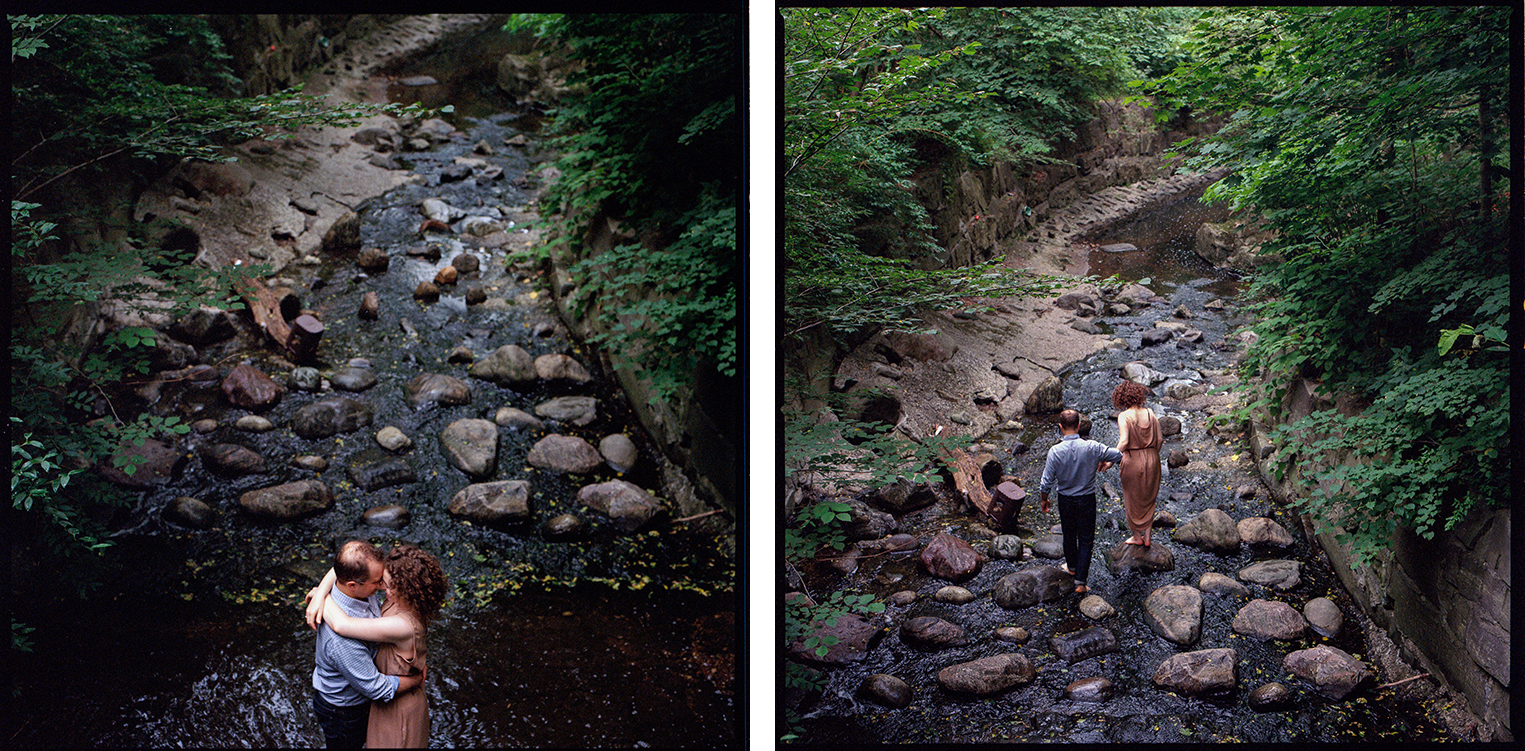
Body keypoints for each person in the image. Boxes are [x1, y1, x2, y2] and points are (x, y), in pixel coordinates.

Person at [307, 544, 448, 748]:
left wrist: (320, 595)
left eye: (387, 583)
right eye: (379, 581)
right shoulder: (341, 640)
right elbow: (341, 570)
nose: (382, 585)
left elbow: (343, 623)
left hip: (395, 704)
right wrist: (321, 594)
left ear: (405, 588)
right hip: (345, 709)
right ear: (353, 584)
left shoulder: (400, 620)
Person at [1038, 408, 1123, 594]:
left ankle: (1071, 568)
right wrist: (1105, 462)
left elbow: (1046, 482)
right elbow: (1117, 455)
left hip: (1065, 499)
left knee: (1068, 535)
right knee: (1085, 540)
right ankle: (1081, 583)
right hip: (1086, 499)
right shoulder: (1092, 447)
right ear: (1078, 425)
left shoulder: (1054, 451)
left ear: (1061, 427)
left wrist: (1044, 500)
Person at [1113, 381, 1163, 547]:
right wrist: (1152, 455)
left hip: (1132, 458)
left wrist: (1109, 458)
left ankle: (1136, 536)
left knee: (1132, 497)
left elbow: (1124, 441)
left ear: (1121, 398)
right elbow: (1160, 440)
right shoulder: (1150, 413)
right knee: (1149, 497)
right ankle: (1147, 537)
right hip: (1152, 457)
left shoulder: (1124, 416)